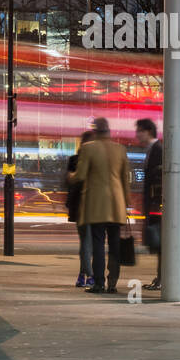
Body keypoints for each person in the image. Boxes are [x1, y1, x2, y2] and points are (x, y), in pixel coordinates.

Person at [68, 117, 130, 294]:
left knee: (97, 243)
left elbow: (80, 176)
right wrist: (126, 201)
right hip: (116, 204)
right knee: (115, 245)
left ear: (95, 131)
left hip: (97, 204)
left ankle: (99, 283)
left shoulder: (89, 149)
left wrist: (70, 177)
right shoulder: (120, 149)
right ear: (109, 131)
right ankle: (112, 283)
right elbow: (125, 179)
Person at [135, 118, 163, 290]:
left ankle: (162, 278)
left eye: (139, 131)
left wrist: (153, 206)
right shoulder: (152, 149)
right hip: (154, 206)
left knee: (161, 244)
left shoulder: (157, 150)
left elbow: (158, 179)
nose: (137, 135)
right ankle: (160, 278)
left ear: (147, 132)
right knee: (159, 244)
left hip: (157, 207)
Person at [66, 130, 96, 288]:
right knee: (88, 242)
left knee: (85, 241)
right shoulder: (91, 161)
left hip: (77, 206)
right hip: (90, 205)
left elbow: (68, 182)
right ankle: (90, 275)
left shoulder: (73, 159)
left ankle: (81, 275)